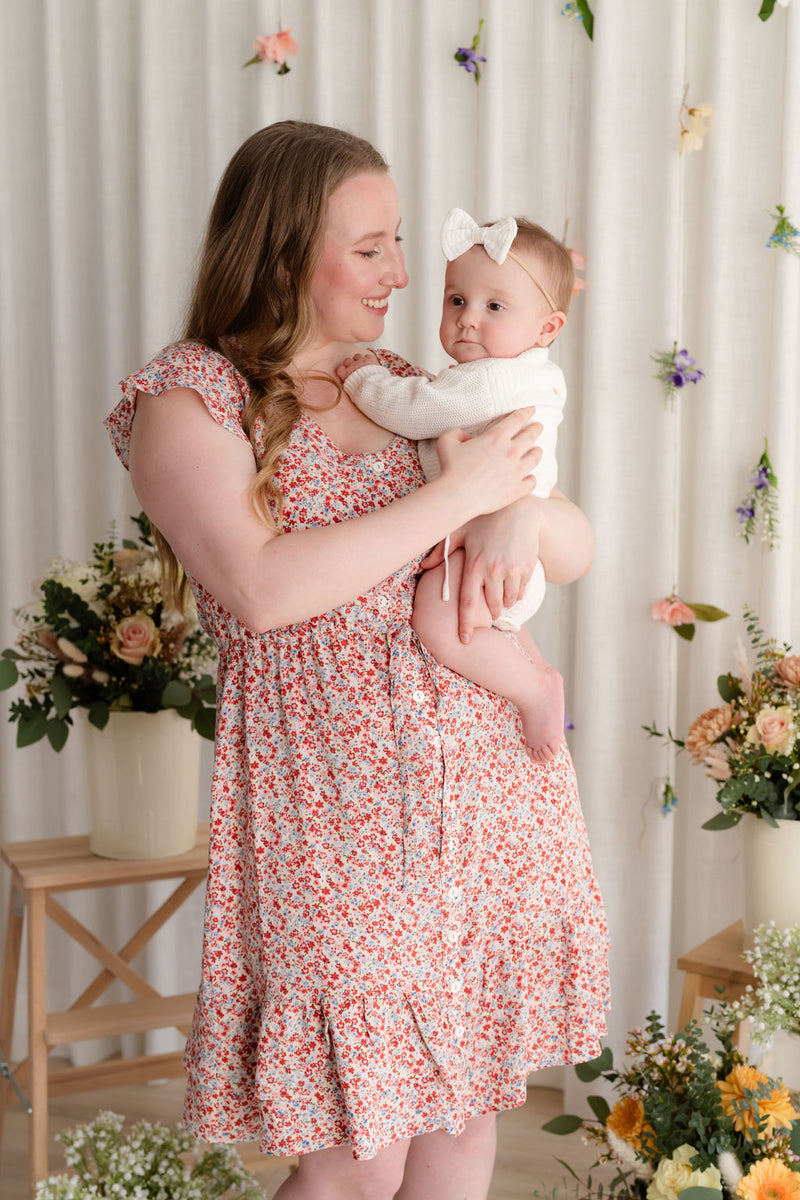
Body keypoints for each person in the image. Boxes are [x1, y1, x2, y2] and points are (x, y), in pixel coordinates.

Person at [105, 120, 609, 1200]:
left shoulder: (401, 379)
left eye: (395, 244)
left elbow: (574, 547)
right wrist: (462, 496)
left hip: (477, 782)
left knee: (463, 1123)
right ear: (286, 247)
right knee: (353, 1153)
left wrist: (519, 515)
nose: (401, 271)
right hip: (329, 802)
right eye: (370, 245)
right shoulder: (189, 398)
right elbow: (262, 587)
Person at [336, 207, 573, 762]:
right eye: (456, 300)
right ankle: (535, 669)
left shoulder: (493, 380)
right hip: (500, 541)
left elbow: (416, 411)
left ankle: (534, 689)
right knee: (477, 622)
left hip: (496, 546)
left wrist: (365, 379)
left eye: (495, 306)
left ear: (547, 328)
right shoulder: (511, 374)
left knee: (440, 624)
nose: (468, 320)